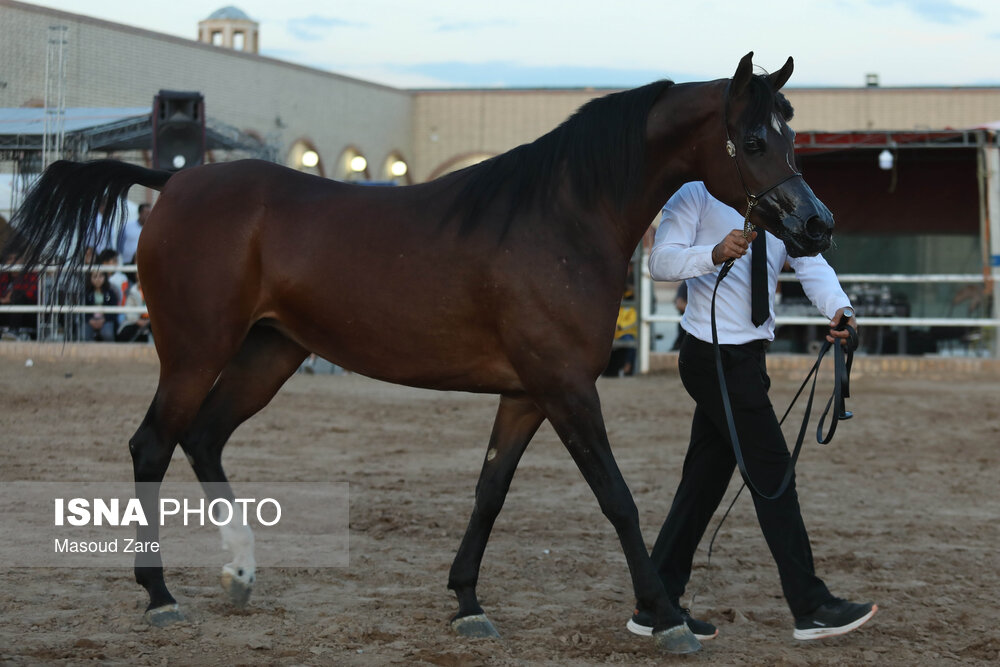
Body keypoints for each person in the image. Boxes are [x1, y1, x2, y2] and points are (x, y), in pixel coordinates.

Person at [627, 181, 875, 642]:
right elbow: (660, 261)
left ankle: (654, 604)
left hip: (748, 360)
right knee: (773, 475)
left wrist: (839, 308)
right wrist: (714, 252)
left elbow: (807, 259)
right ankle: (811, 605)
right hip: (712, 357)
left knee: (702, 484)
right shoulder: (695, 196)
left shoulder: (780, 198)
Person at [82, 270, 118, 342]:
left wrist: (104, 319)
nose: (98, 279)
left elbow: (114, 310)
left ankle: (110, 352)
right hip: (90, 320)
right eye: (95, 276)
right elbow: (83, 310)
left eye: (101, 276)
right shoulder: (86, 292)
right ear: (90, 278)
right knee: (84, 334)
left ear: (105, 277)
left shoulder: (111, 292)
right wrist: (90, 320)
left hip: (106, 320)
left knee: (108, 334)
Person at [117, 202, 149, 267]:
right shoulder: (127, 226)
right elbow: (119, 244)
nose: (148, 216)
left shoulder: (151, 229)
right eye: (146, 213)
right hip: (127, 262)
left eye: (150, 213)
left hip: (145, 263)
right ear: (140, 213)